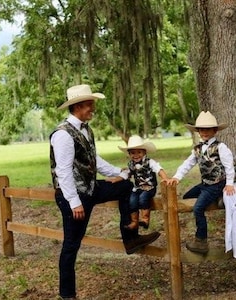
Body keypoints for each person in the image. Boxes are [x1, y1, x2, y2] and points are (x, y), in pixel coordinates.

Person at [50, 84, 161, 300]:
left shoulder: (86, 129)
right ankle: (67, 295)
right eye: (90, 104)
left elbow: (94, 159)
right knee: (72, 245)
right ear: (78, 106)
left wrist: (119, 172)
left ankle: (130, 238)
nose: (93, 108)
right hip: (73, 195)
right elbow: (62, 171)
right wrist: (74, 202)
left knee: (125, 186)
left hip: (91, 188)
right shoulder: (63, 134)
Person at [167, 111, 235, 254]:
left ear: (215, 131)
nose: (204, 132)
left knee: (198, 208)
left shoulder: (220, 147)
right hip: (205, 183)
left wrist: (229, 183)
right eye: (201, 129)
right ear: (198, 131)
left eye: (207, 129)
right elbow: (188, 163)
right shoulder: (197, 149)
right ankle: (217, 198)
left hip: (217, 183)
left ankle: (201, 242)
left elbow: (229, 166)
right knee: (187, 197)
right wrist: (177, 177)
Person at [107, 135, 168, 230]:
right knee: (132, 200)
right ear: (129, 154)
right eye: (132, 153)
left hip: (149, 188)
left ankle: (145, 219)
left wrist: (165, 178)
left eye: (139, 152)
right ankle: (134, 221)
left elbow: (159, 169)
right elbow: (126, 174)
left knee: (143, 198)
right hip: (138, 187)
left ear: (144, 152)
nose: (136, 155)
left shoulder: (150, 162)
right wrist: (116, 179)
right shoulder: (131, 164)